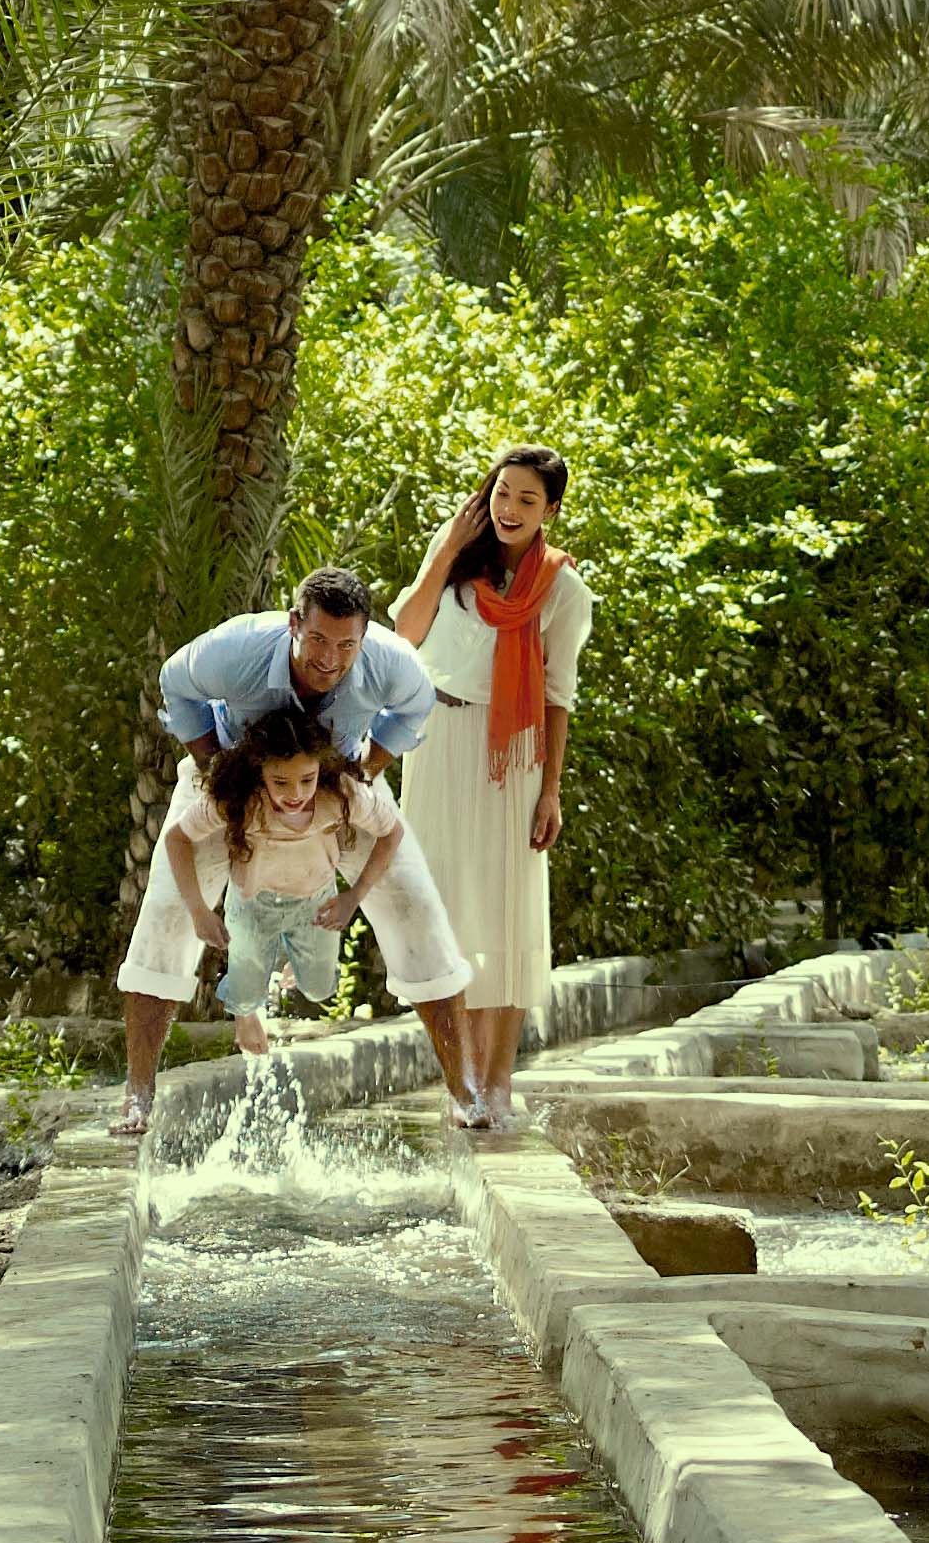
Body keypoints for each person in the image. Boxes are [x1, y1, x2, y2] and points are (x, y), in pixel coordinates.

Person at [118, 569, 473, 1124]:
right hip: (233, 783)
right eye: (318, 641)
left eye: (346, 645)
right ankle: (138, 1096)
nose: (330, 658)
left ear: (363, 637)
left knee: (418, 907)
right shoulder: (237, 648)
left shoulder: (390, 661)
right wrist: (215, 769)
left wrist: (370, 768)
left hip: (334, 787)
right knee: (165, 916)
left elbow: (416, 705)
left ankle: (465, 1093)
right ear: (293, 626)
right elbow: (174, 681)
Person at [392, 447, 587, 1142]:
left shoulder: (563, 590)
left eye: (527, 500)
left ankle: (496, 1081)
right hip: (435, 742)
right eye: (503, 493)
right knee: (444, 913)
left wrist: (551, 793)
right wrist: (442, 550)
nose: (509, 509)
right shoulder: (456, 565)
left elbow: (559, 695)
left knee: (503, 917)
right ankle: (462, 1078)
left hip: (514, 757)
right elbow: (403, 635)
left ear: (550, 511)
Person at [109, 706, 412, 1122]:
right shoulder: (238, 801)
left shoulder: (338, 795)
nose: (294, 793)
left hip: (315, 903)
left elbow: (392, 831)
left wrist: (354, 895)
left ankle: (285, 955)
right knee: (248, 991)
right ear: (260, 774)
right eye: (280, 782)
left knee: (321, 989)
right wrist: (199, 910)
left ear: (320, 770)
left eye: (306, 780)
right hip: (252, 906)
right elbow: (178, 838)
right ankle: (245, 1008)